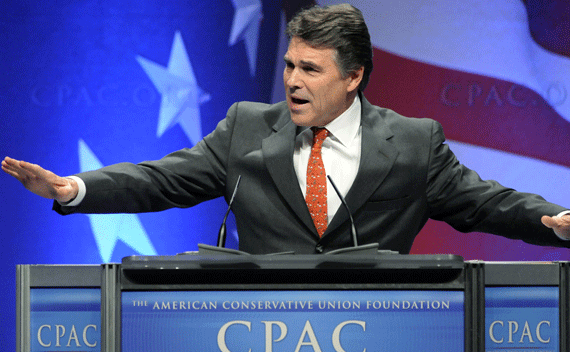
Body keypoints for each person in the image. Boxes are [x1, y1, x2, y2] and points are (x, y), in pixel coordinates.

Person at [2, 4, 570, 255]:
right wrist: (72, 189)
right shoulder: (247, 128)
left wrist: (555, 222)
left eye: (311, 70)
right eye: (290, 65)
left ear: (353, 77)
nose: (293, 80)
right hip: (260, 328)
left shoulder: (414, 142)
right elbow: (162, 179)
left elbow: (485, 203)